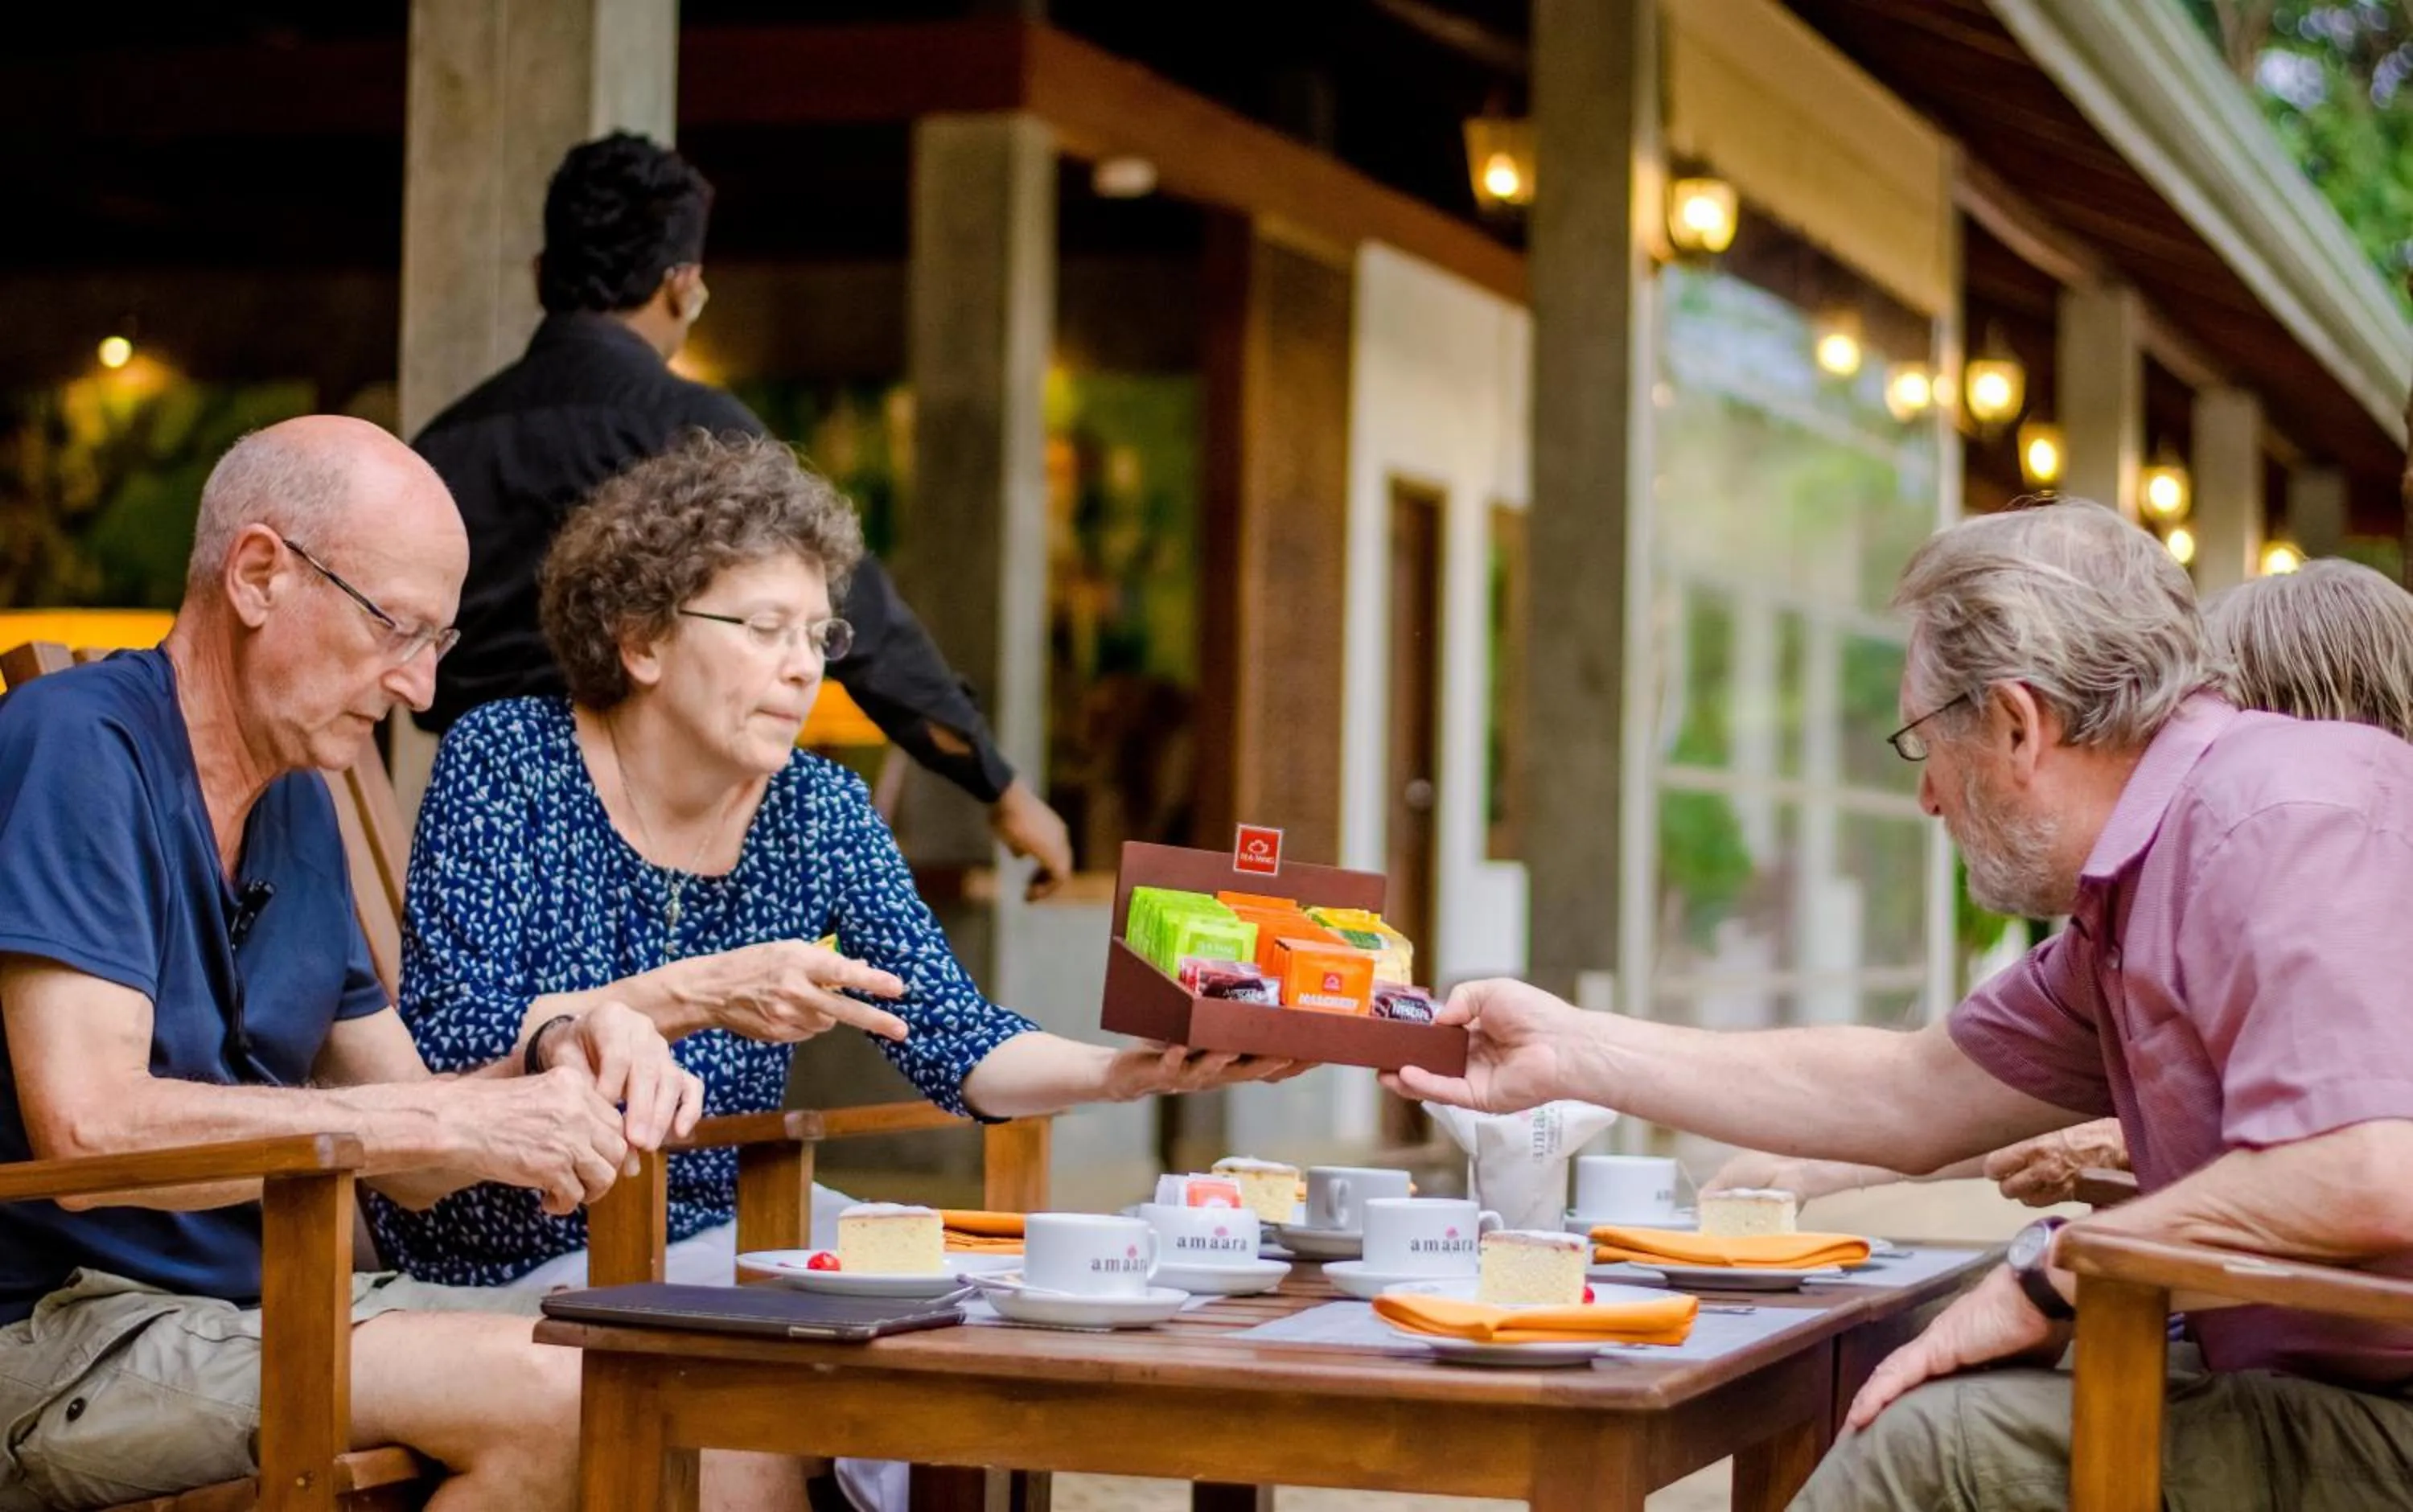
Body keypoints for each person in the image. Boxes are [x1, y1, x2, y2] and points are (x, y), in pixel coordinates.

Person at [1392, 500, 2413, 1510]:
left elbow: (2372, 1171)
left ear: (2018, 723)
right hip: (2308, 1375)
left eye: (1924, 738)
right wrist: (1571, 1045)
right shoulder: (2152, 871)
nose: (1926, 795)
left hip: (2382, 1414)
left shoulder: (2274, 816)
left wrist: (2055, 1274)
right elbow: (1910, 1089)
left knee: (1931, 1443)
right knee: (1922, 1367)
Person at [366, 432, 1302, 1510]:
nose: (805, 666)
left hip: (729, 1242)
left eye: (818, 635)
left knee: (965, 1335)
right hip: (500, 1247)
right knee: (756, 1413)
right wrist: (694, 994)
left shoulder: (818, 811)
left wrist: (1126, 1073)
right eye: (764, 629)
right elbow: (450, 1039)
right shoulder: (510, 759)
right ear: (640, 641)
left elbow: (953, 1034)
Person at [0, 418, 713, 1512]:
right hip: (70, 1328)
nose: (420, 687)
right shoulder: (80, 749)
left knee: (702, 1390)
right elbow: (92, 1127)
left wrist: (563, 1054)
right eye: (398, 629)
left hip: (276, 1304)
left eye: (440, 644)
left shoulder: (297, 804)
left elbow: (417, 1150)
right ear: (258, 575)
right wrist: (441, 1124)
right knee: (568, 1399)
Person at [411, 130, 1075, 899]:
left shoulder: (443, 442)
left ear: (539, 276)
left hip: (473, 819)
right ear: (683, 286)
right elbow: (868, 629)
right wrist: (1001, 788)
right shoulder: (692, 433)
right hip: (655, 837)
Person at [1704, 556, 2413, 1212]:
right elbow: (1945, 1085)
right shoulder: (2151, 906)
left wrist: (2084, 1219)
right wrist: (1830, 1165)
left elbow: (2344, 1151)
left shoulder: (2296, 844)